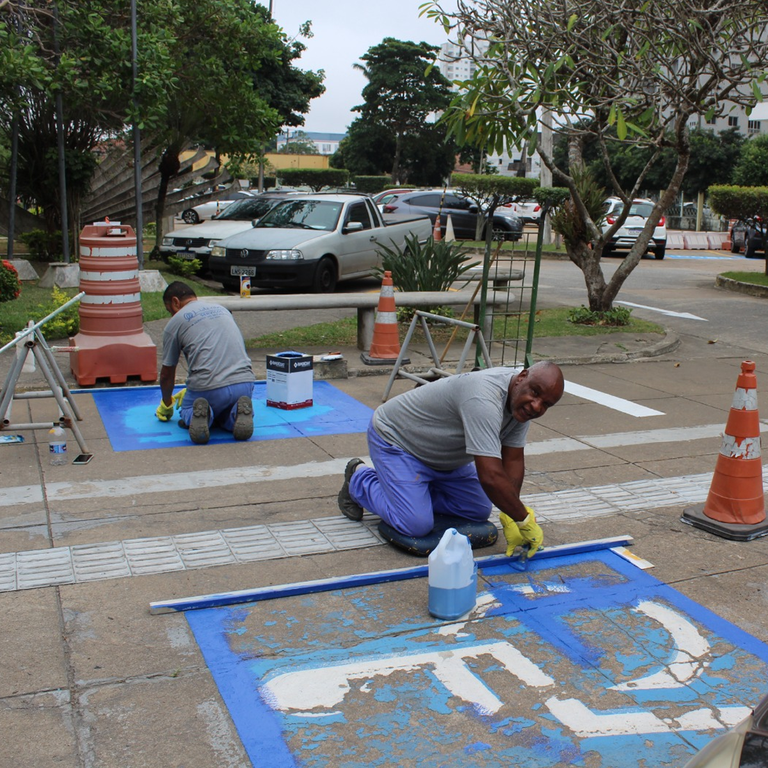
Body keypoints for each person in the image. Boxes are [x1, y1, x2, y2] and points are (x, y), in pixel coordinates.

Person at [338, 362, 565, 557]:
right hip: (399, 442)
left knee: (478, 509)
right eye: (535, 393)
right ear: (522, 377)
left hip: (442, 456)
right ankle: (359, 479)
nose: (536, 406)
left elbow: (513, 461)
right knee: (415, 523)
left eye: (546, 404)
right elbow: (491, 476)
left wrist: (509, 512)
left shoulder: (520, 407)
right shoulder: (484, 397)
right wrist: (523, 519)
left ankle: (414, 491)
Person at [156, 281, 256, 444]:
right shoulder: (223, 310)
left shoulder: (175, 323)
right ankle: (236, 416)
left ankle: (205, 416)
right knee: (225, 413)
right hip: (245, 383)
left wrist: (167, 403)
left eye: (170, 311)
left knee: (187, 409)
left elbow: (167, 373)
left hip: (208, 387)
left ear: (175, 302)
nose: (171, 315)